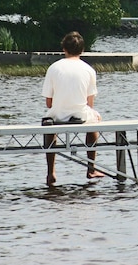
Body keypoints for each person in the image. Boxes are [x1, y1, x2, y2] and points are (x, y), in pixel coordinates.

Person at [41, 31, 105, 186]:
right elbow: (90, 104)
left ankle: (51, 172)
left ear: (64, 49)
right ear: (82, 50)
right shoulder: (89, 70)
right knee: (94, 120)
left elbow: (49, 103)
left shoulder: (54, 68)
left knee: (50, 124)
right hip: (80, 115)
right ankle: (91, 168)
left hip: (58, 114)